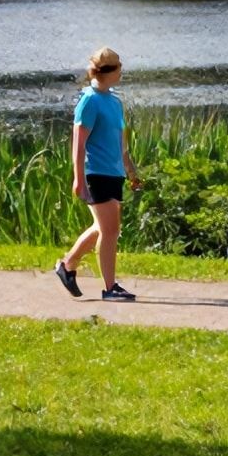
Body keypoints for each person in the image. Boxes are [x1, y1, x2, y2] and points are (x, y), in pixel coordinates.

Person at [54, 47, 142, 301]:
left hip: (114, 174)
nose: (121, 71)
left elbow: (120, 144)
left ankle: (67, 265)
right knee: (110, 231)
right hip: (96, 173)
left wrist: (131, 172)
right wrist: (78, 178)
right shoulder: (89, 101)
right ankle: (110, 287)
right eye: (118, 67)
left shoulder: (114, 102)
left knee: (103, 228)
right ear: (108, 72)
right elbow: (79, 144)